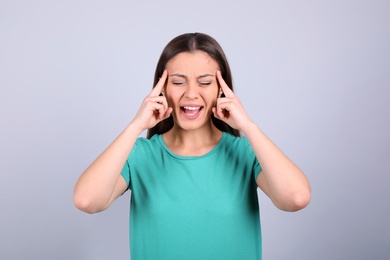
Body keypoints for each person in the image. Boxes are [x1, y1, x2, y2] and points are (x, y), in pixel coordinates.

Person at [73, 32, 311, 259]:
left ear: (221, 88)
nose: (191, 94)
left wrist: (248, 125)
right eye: (178, 82)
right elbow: (87, 201)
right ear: (162, 88)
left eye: (205, 82)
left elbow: (296, 198)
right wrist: (136, 125)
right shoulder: (140, 155)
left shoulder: (245, 153)